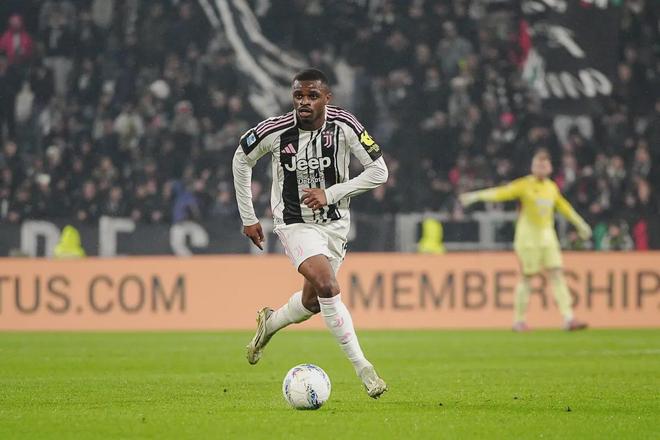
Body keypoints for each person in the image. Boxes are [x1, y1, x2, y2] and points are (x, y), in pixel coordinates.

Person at [232, 69, 389, 398]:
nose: (304, 102)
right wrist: (248, 217)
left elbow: (379, 172)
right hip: (294, 222)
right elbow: (241, 159)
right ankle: (364, 368)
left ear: (327, 99)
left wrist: (330, 194)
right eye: (298, 96)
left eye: (312, 96)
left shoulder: (345, 125)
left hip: (335, 223)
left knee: (313, 302)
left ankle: (270, 323)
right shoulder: (275, 130)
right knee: (328, 285)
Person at [460, 149, 591, 332]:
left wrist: (580, 224)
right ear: (532, 167)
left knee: (556, 274)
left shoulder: (551, 188)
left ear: (550, 168)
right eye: (537, 165)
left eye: (543, 165)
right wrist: (477, 196)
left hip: (548, 237)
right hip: (528, 239)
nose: (540, 168)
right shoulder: (524, 185)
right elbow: (502, 193)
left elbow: (564, 207)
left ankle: (568, 318)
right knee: (527, 277)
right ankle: (519, 321)